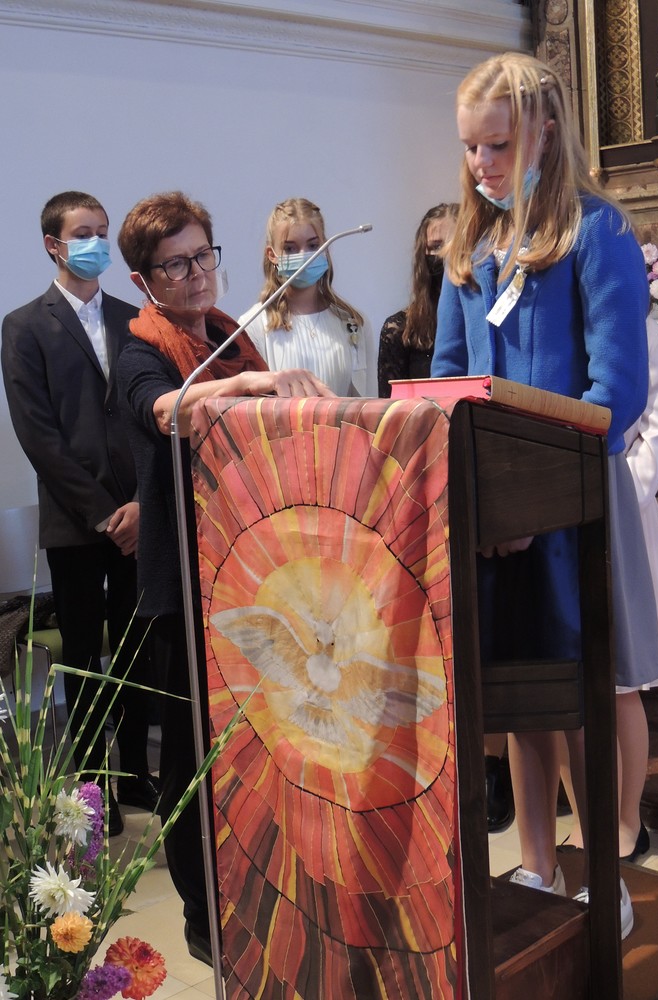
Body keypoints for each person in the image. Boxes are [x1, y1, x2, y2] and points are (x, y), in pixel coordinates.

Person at [431, 51, 658, 940]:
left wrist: (531, 492)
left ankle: (604, 869)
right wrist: (483, 495)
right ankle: (535, 863)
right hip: (492, 515)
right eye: (470, 147)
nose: (481, 164)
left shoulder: (596, 232)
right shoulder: (471, 246)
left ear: (544, 132)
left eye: (496, 145)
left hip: (570, 508)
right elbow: (447, 381)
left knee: (588, 692)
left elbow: (617, 391)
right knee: (521, 700)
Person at [115, 190, 334, 965]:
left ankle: (263, 892)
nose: (196, 275)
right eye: (174, 265)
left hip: (251, 574)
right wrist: (245, 387)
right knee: (189, 759)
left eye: (202, 256)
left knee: (258, 745)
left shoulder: (235, 337)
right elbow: (166, 410)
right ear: (143, 281)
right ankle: (203, 918)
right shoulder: (140, 349)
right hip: (184, 583)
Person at [1, 191, 158, 837]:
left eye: (102, 231)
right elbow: (38, 435)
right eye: (83, 232)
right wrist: (104, 513)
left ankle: (137, 773)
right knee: (86, 659)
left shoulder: (135, 318)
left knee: (137, 650)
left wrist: (142, 504)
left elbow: (149, 418)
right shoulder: (23, 326)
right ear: (54, 245)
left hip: (140, 516)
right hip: (76, 523)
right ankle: (94, 785)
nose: (95, 243)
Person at [560, 315, 658, 860]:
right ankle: (586, 822)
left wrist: (614, 492)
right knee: (566, 683)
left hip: (623, 512)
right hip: (560, 512)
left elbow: (657, 436)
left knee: (622, 683)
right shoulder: (563, 322)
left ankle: (627, 823)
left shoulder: (649, 335)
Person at [238, 197, 375, 395]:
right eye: (290, 248)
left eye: (313, 246)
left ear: (325, 247)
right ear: (272, 254)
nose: (304, 257)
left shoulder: (353, 322)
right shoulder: (253, 325)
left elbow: (369, 401)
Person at [377, 203, 458, 397]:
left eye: (455, 245)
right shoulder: (399, 329)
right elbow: (389, 410)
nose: (446, 255)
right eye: (437, 246)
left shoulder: (487, 325)